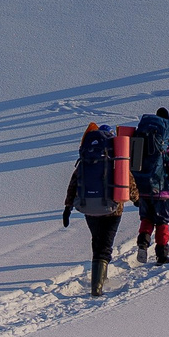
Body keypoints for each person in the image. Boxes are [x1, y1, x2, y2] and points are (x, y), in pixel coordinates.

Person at [63, 122, 128, 296]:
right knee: (105, 245)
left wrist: (68, 207)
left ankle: (100, 279)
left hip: (88, 207)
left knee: (97, 241)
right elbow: (128, 181)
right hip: (113, 209)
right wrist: (137, 200)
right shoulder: (116, 158)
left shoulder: (87, 158)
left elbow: (74, 182)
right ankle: (97, 287)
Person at [132, 107, 169, 264]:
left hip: (142, 187)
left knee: (146, 219)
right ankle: (162, 254)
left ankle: (143, 242)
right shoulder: (168, 143)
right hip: (162, 191)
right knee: (162, 221)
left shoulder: (141, 138)